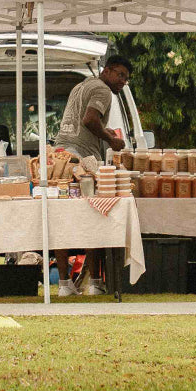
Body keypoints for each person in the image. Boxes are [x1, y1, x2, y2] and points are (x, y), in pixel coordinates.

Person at [53, 54, 132, 297]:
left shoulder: (82, 85)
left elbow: (83, 121)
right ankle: (96, 282)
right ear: (107, 70)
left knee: (62, 220)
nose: (122, 82)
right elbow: (89, 119)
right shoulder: (103, 91)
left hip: (60, 155)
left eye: (126, 79)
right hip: (82, 160)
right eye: (120, 75)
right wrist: (111, 139)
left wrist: (102, 131)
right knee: (94, 218)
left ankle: (64, 285)